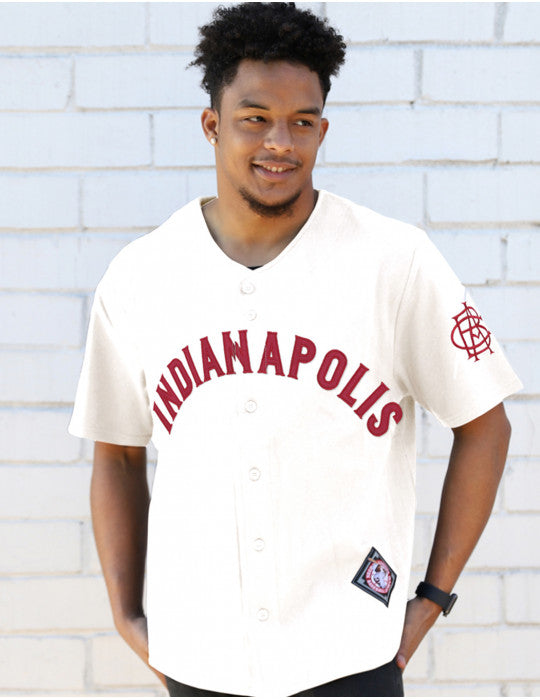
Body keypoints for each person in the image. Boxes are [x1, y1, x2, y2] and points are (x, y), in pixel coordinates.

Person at [69, 3, 522, 697]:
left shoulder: (393, 262)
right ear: (212, 124)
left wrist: (432, 598)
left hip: (349, 653)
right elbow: (117, 453)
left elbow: (485, 424)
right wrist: (128, 616)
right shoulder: (141, 276)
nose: (280, 140)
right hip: (199, 658)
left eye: (302, 121)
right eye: (255, 117)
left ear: (322, 130)